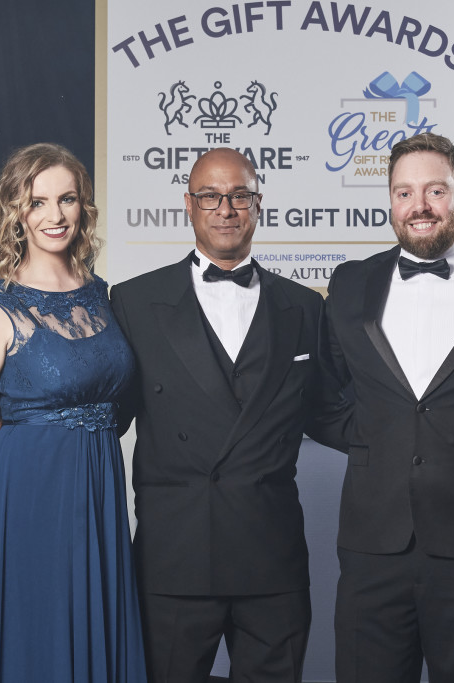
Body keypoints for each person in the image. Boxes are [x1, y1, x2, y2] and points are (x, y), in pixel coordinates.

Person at [108, 147, 348, 683]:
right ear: (188, 206)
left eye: (239, 195)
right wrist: (23, 429)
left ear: (259, 204)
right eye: (210, 197)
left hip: (271, 557)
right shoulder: (133, 302)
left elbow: (330, 413)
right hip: (174, 557)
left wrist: (413, 429)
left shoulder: (305, 308)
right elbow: (109, 412)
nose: (226, 209)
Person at [321, 132, 454, 682]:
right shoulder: (349, 284)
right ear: (391, 202)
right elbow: (318, 394)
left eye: (435, 191)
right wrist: (375, 435)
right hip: (374, 543)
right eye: (404, 193)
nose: (419, 206)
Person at [0, 143, 147, 682]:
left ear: (83, 208)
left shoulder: (105, 296)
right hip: (26, 499)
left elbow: (121, 400)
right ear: (15, 211)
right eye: (37, 202)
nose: (55, 215)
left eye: (67, 199)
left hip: (98, 490)